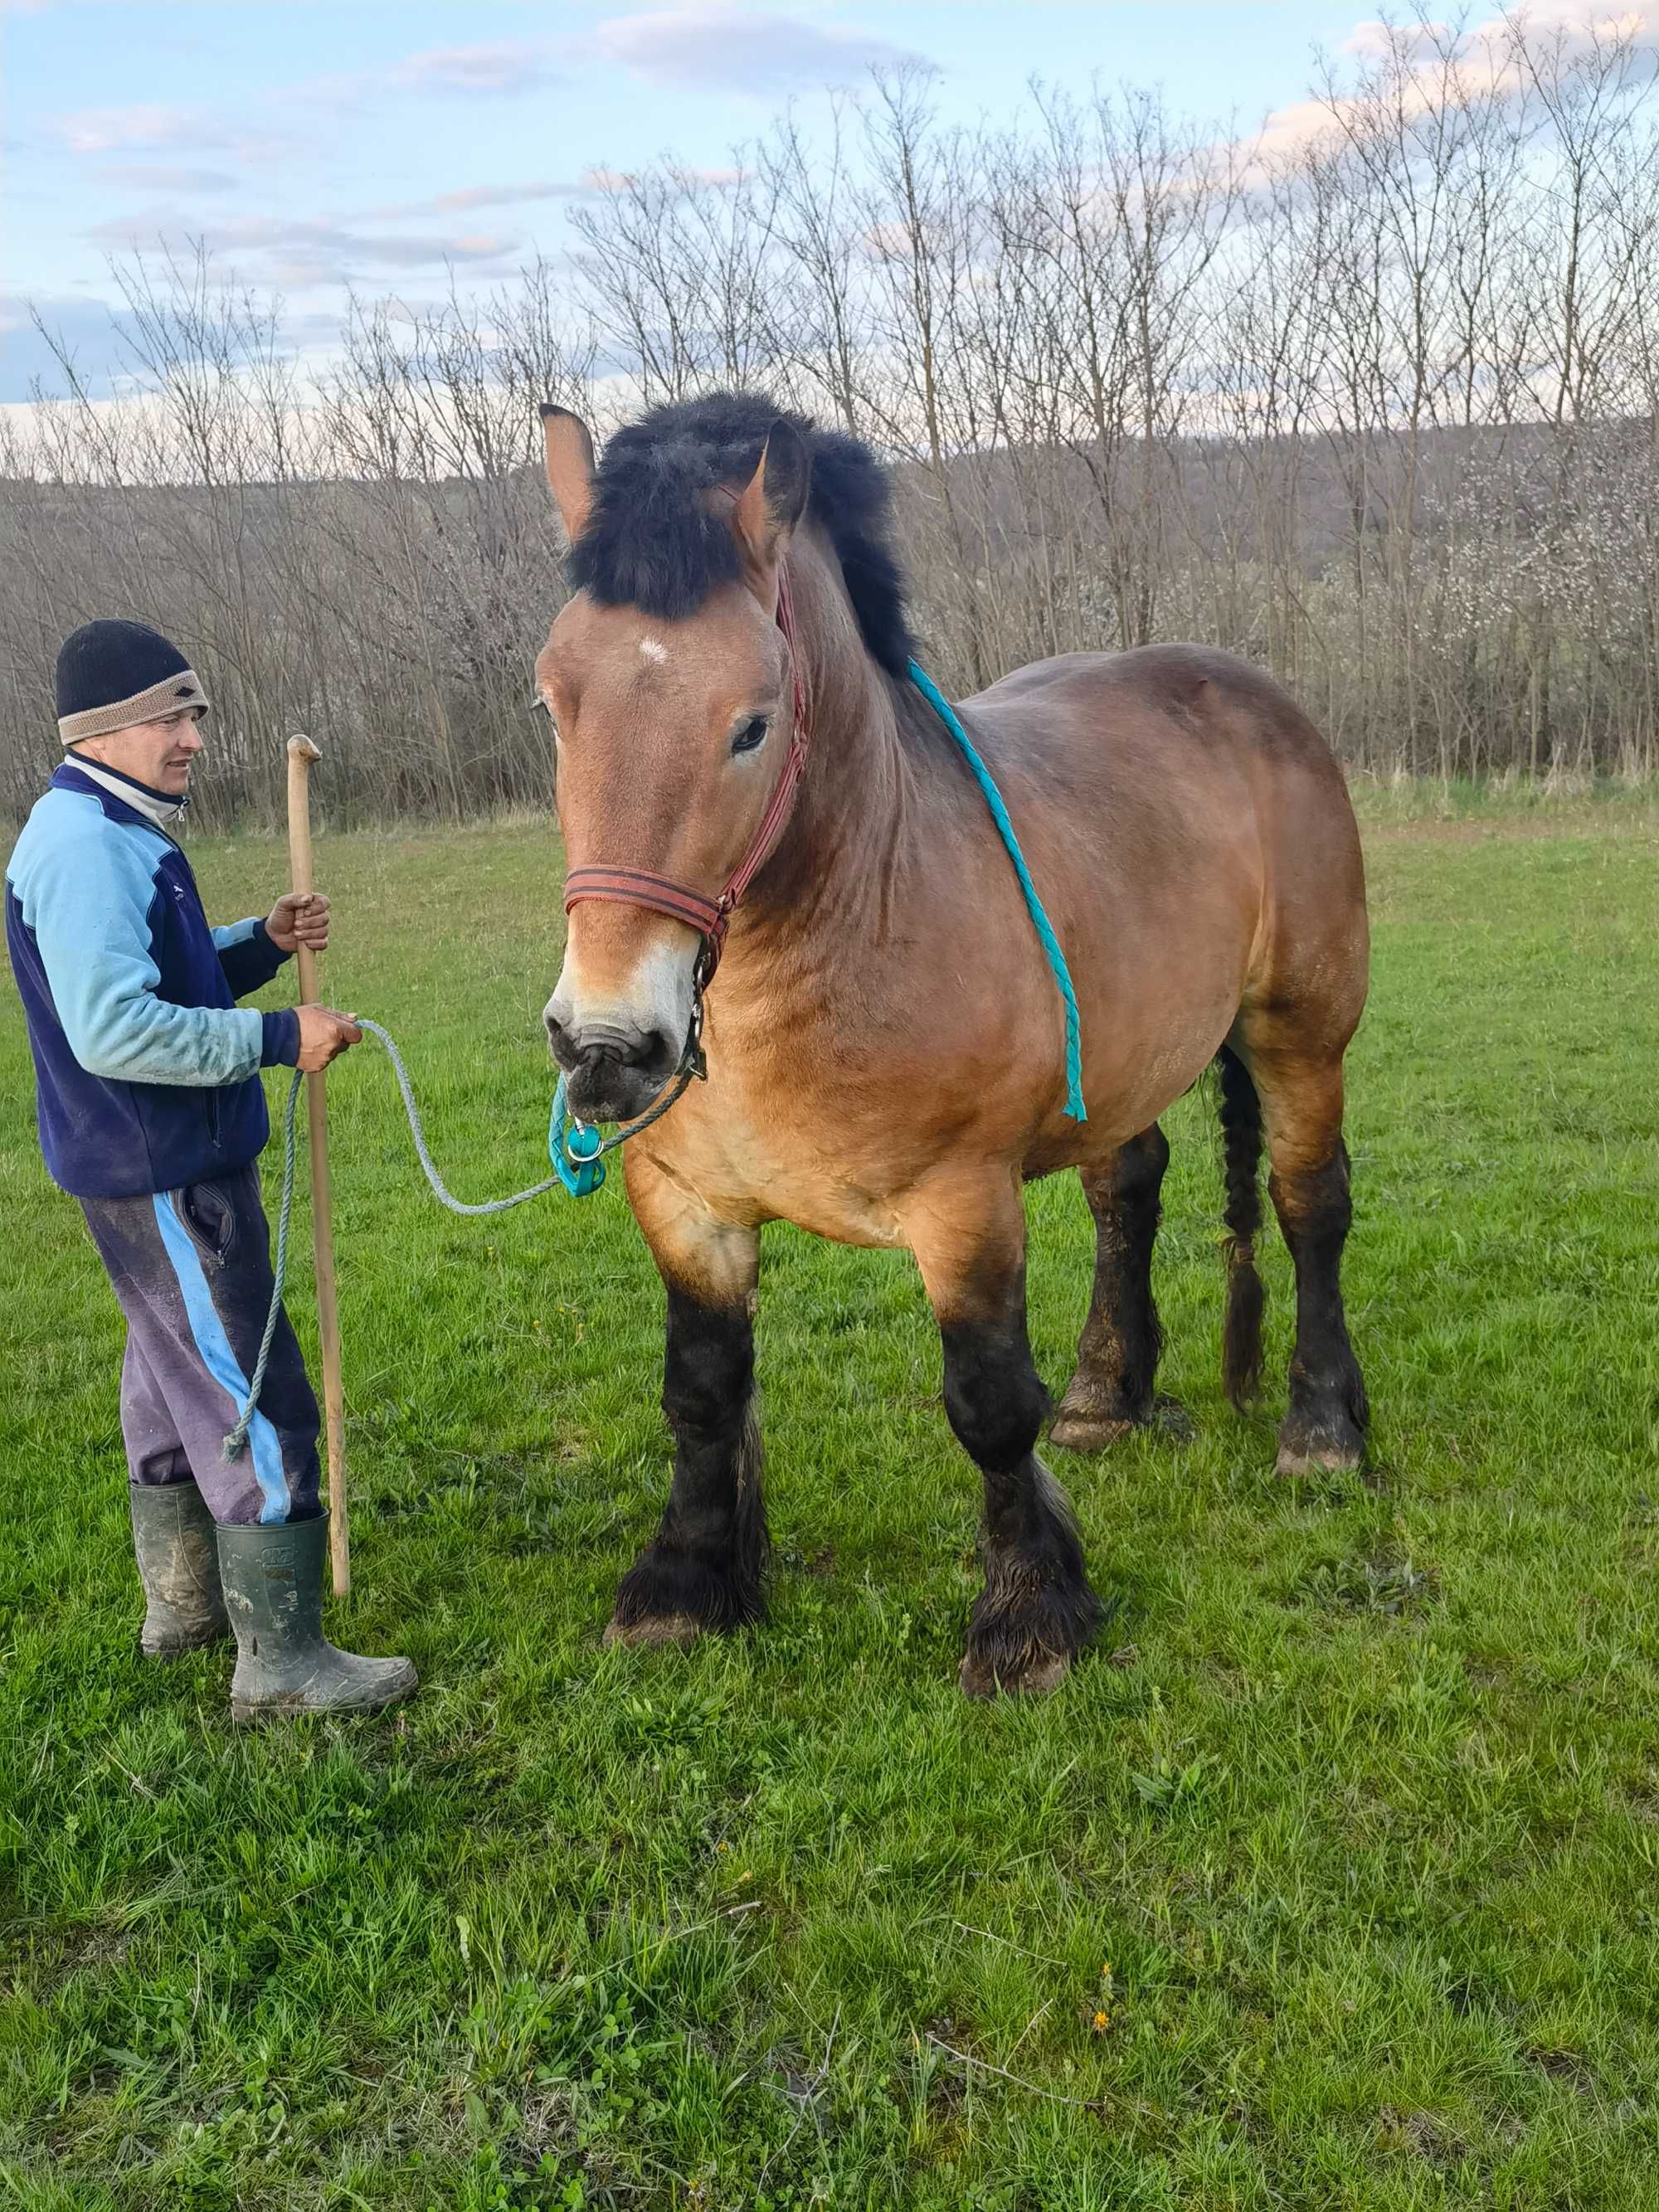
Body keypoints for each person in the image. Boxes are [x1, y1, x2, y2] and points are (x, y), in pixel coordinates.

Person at [4, 619, 415, 1719]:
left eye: (191, 714)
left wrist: (259, 942)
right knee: (252, 1389)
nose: (191, 736)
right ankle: (282, 1666)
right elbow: (117, 1029)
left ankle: (184, 1611)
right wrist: (282, 1037)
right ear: (103, 730)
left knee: (169, 1375)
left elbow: (160, 973)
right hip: (168, 1169)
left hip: (131, 1167)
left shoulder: (105, 826)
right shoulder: (88, 845)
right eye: (171, 716)